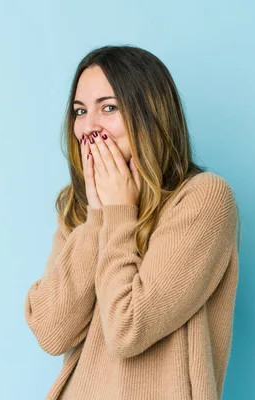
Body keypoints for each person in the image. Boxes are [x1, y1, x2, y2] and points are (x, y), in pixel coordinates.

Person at [24, 44, 241, 400]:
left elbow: (128, 328)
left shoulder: (203, 198)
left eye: (108, 108)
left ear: (149, 115)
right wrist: (97, 219)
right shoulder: (79, 208)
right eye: (80, 111)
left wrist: (119, 214)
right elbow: (52, 332)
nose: (88, 128)